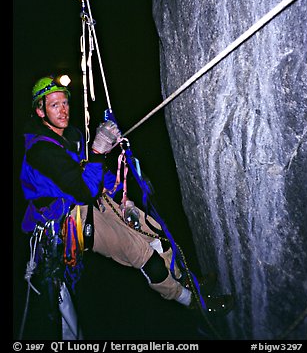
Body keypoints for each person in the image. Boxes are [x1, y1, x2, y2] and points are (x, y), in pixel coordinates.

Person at [19, 75, 234, 339]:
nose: (63, 110)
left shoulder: (71, 136)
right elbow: (83, 187)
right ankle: (192, 303)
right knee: (141, 252)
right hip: (67, 217)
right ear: (40, 110)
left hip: (90, 200)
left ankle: (188, 280)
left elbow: (95, 176)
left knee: (154, 232)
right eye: (54, 105)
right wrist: (98, 152)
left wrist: (123, 198)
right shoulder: (41, 151)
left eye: (65, 103)